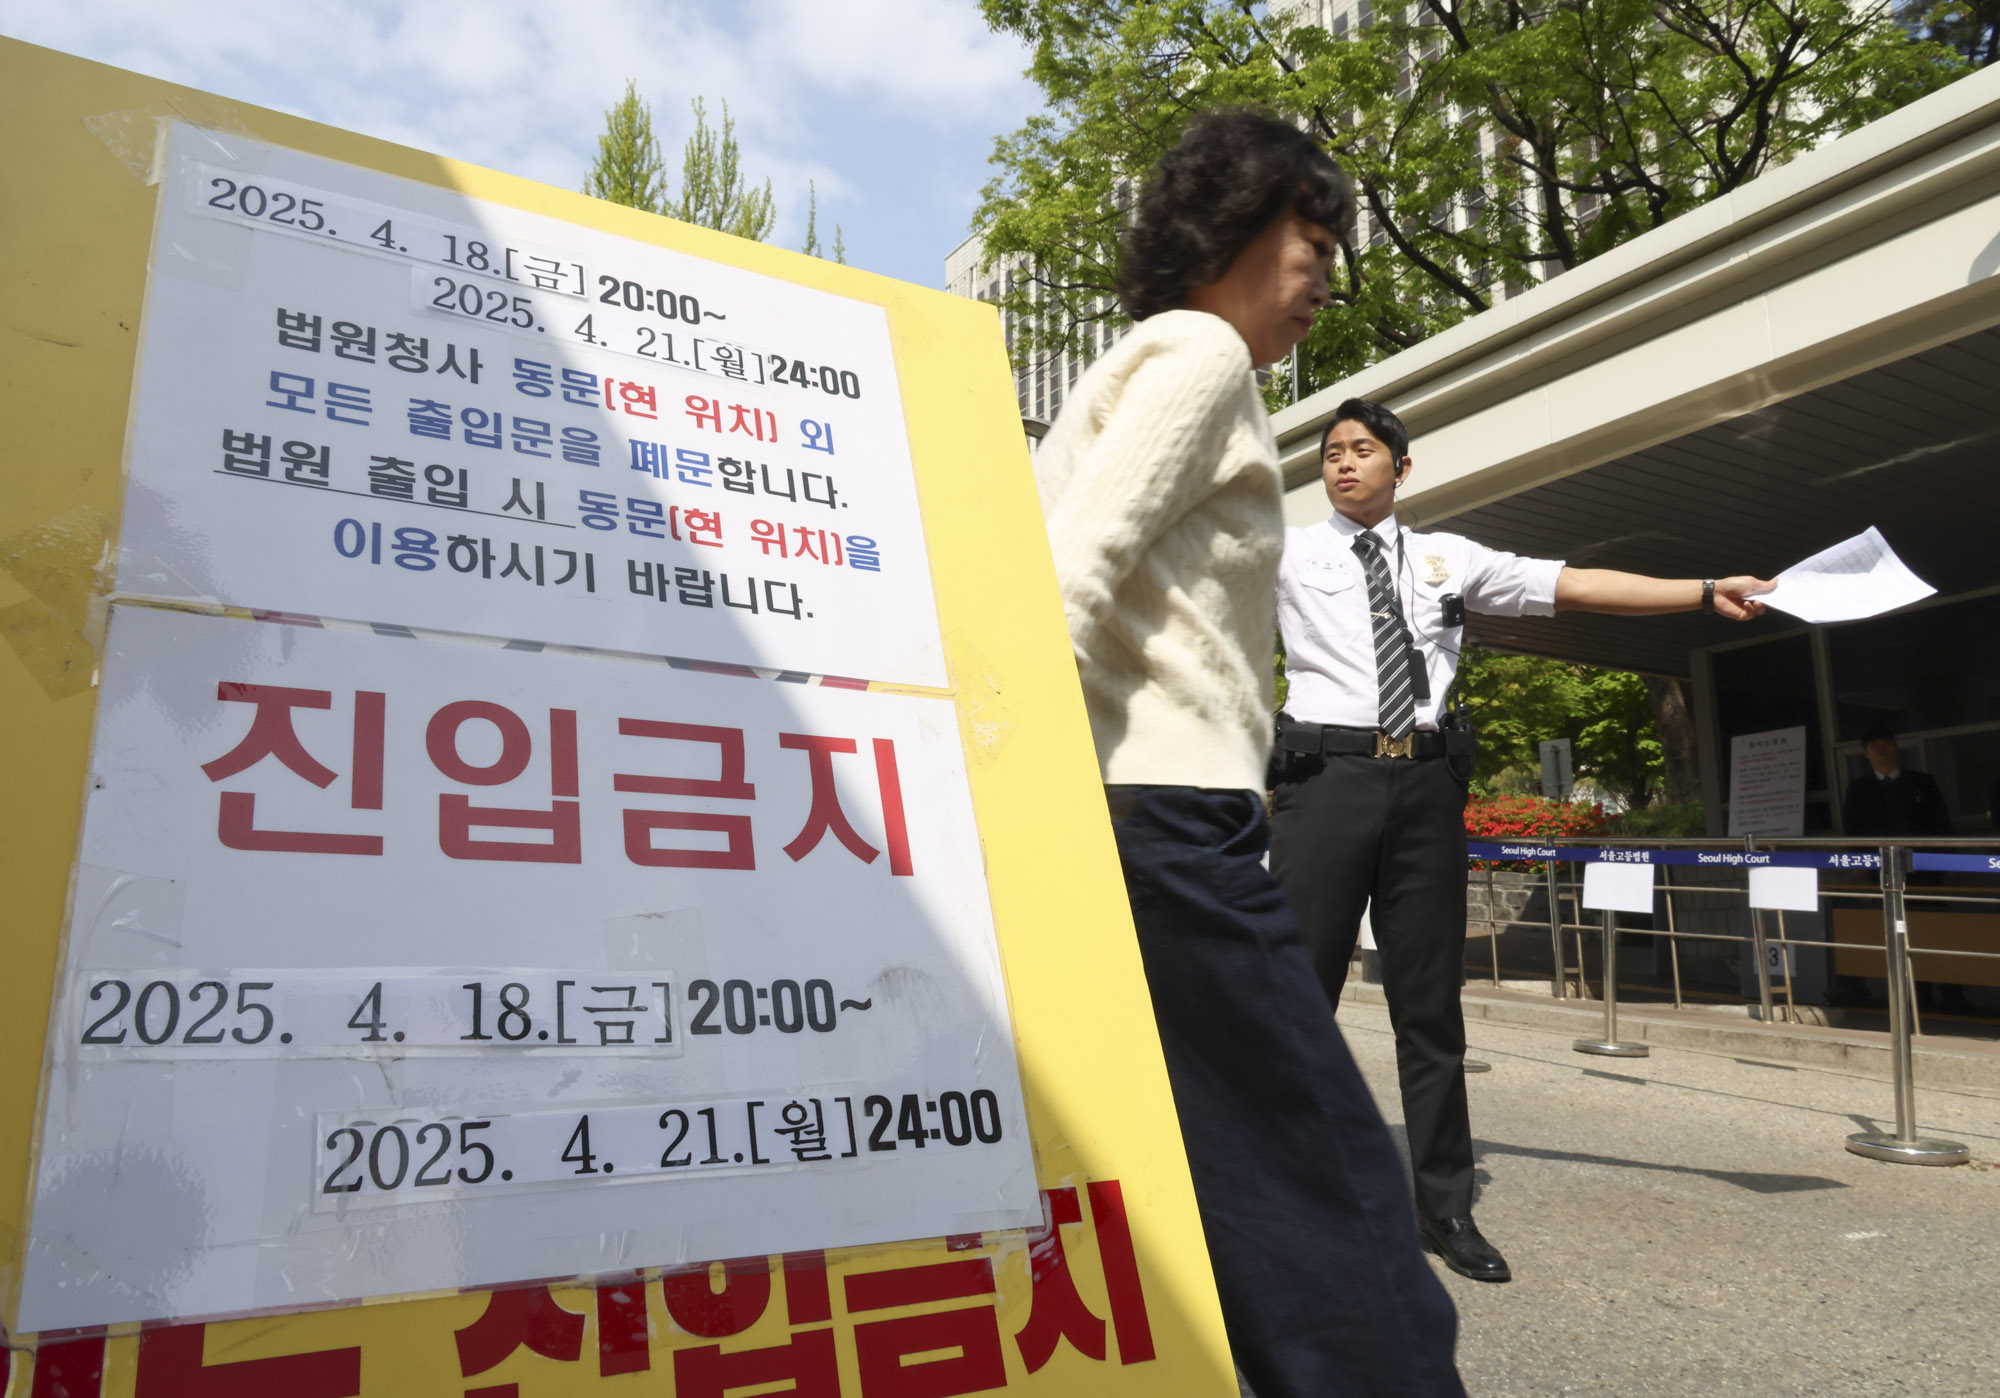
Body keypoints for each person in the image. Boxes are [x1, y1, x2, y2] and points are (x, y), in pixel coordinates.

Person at [1036, 114, 1464, 1397]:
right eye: (1311, 238)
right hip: (1167, 809)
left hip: (1117, 803)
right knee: (1315, 1155)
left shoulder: (1120, 368)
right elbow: (1069, 574)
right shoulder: (1203, 352)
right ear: (1229, 228)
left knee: (1204, 1148)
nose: (1327, 273)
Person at [1269, 398, 1772, 1285]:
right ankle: (1279, 1200)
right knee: (1297, 998)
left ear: (1402, 465)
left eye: (1362, 450)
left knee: (1430, 1009)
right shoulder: (1288, 550)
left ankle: (1445, 1207)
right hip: (1327, 785)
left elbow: (1573, 584)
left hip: (1426, 788)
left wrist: (1700, 591)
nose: (1344, 465)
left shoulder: (1447, 559)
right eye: (1332, 454)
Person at [1843, 726, 1952, 837]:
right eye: (1875, 745)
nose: (1881, 748)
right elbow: (1852, 829)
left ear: (1896, 747)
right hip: (1876, 852)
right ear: (1866, 753)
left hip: (1921, 852)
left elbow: (1941, 822)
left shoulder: (1923, 782)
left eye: (1887, 743)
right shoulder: (1858, 789)